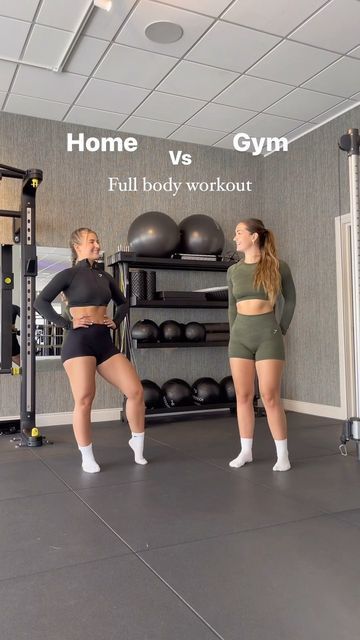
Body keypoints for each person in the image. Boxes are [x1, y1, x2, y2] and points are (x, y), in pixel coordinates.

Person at [34, 227, 147, 472]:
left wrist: (115, 321)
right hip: (79, 342)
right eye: (92, 241)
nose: (97, 245)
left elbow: (124, 303)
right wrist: (66, 323)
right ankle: (87, 455)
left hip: (104, 342)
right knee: (85, 399)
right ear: (78, 246)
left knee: (136, 391)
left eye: (97, 240)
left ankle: (137, 442)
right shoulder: (69, 274)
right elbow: (40, 302)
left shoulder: (105, 277)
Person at [227, 218, 296, 471]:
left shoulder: (278, 266)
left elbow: (291, 300)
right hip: (240, 338)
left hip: (268, 334)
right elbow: (231, 307)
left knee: (269, 396)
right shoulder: (233, 271)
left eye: (238, 233)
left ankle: (283, 455)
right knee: (244, 396)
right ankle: (246, 451)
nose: (234, 238)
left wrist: (283, 328)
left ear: (254, 236)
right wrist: (234, 333)